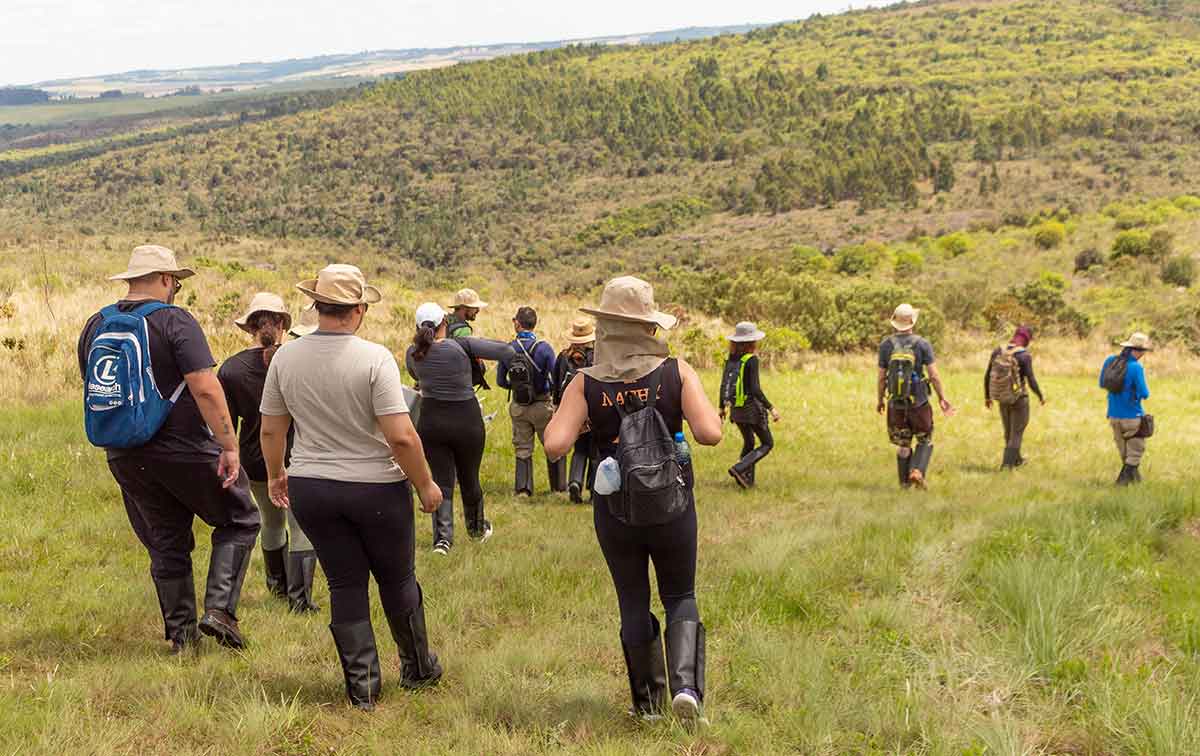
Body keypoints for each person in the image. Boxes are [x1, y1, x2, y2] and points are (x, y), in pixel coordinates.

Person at [259, 264, 445, 711]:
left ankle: (362, 687)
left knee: (344, 583)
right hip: (376, 487)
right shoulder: (374, 357)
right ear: (359, 309)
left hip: (313, 487)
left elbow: (271, 430)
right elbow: (400, 435)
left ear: (316, 306)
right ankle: (418, 667)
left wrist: (276, 474)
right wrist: (425, 486)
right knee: (396, 577)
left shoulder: (286, 357)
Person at [545, 276, 722, 723]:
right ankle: (687, 689)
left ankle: (648, 705)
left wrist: (588, 420)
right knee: (680, 593)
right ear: (649, 326)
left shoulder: (585, 382)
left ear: (604, 327)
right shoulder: (675, 371)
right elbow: (710, 434)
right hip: (673, 504)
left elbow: (554, 445)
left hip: (615, 508)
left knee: (632, 599)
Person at [78, 244, 260, 653]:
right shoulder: (175, 321)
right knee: (241, 518)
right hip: (185, 449)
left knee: (165, 540)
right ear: (164, 280)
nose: (176, 287)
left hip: (123, 453)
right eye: (175, 280)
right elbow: (205, 388)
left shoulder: (96, 323)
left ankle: (182, 641)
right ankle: (220, 611)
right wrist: (229, 445)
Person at [219, 292, 319, 613]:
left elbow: (226, 427)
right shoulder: (298, 361)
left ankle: (276, 588)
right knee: (301, 525)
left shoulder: (230, 370)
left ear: (250, 328)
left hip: (254, 460)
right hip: (297, 457)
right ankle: (300, 600)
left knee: (271, 522)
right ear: (281, 325)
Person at [406, 301, 515, 555]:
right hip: (467, 420)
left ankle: (442, 540)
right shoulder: (462, 346)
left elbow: (416, 376)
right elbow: (505, 351)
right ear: (445, 322)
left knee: (442, 481)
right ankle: (476, 530)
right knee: (469, 478)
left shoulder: (412, 353)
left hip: (432, 422)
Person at [876, 303, 954, 489]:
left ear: (894, 322)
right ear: (912, 322)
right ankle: (917, 471)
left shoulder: (886, 345)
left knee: (903, 444)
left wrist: (880, 400)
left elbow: (881, 378)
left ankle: (904, 485)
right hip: (919, 402)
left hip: (896, 402)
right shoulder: (922, 344)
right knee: (924, 439)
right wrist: (942, 397)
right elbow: (934, 375)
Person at [497, 306, 566, 495]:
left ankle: (523, 489)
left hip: (519, 406)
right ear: (534, 324)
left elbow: (501, 381)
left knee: (522, 448)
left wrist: (520, 388)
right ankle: (559, 488)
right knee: (553, 445)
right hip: (542, 405)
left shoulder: (508, 349)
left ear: (517, 324)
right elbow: (555, 379)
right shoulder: (544, 348)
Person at [718, 322, 782, 489]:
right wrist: (771, 408)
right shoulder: (751, 360)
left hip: (736, 410)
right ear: (751, 342)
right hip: (751, 410)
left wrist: (721, 407)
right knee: (767, 443)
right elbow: (755, 389)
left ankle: (747, 480)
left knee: (749, 442)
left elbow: (724, 383)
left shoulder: (730, 359)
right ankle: (739, 469)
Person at [984, 326, 1045, 470]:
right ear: (1027, 339)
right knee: (1016, 433)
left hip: (1002, 396)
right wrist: (1040, 396)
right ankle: (1007, 466)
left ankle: (1017, 460)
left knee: (1008, 431)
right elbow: (1031, 379)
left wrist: (987, 397)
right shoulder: (1024, 356)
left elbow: (987, 374)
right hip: (1018, 399)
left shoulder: (998, 351)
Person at [553, 317, 597, 503]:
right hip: (593, 409)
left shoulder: (563, 356)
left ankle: (575, 482)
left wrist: (557, 409)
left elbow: (555, 385)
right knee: (596, 451)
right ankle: (595, 491)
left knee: (579, 448)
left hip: (571, 410)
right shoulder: (597, 357)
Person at [1100, 332, 1152, 485]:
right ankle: (1120, 484)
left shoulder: (1110, 360)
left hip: (1113, 415)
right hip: (1132, 416)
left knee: (1126, 455)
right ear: (1137, 350)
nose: (1143, 354)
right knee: (1135, 453)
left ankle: (1137, 484)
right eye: (1142, 351)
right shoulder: (1136, 367)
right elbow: (1145, 393)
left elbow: (1102, 383)